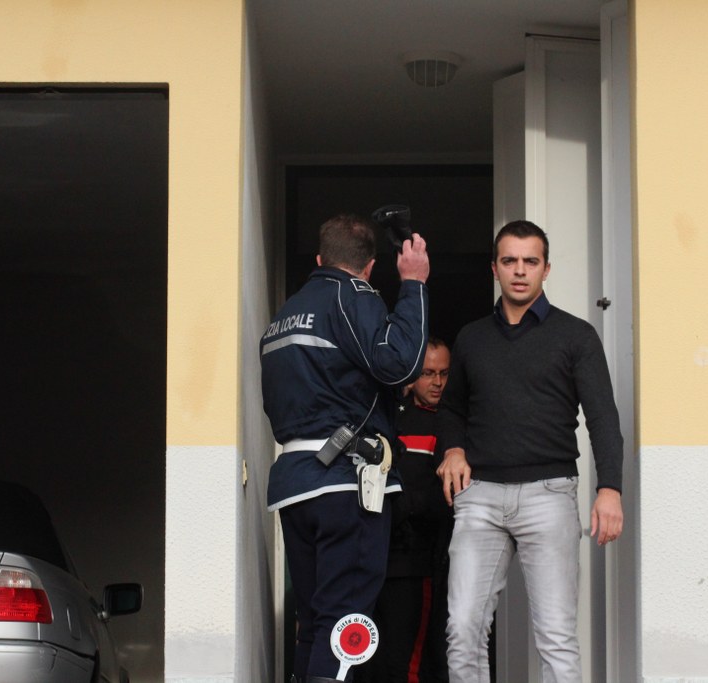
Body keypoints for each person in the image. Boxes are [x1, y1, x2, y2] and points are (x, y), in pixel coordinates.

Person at [436, 220, 624, 683]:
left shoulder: (576, 336)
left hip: (549, 495)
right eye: (510, 261)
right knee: (462, 630)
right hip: (479, 498)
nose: (520, 271)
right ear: (495, 269)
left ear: (546, 269)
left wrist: (610, 489)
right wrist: (454, 449)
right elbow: (452, 408)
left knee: (556, 638)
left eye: (530, 261)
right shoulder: (472, 337)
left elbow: (603, 418)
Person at [261, 214, 430, 683]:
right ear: (370, 267)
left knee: (315, 622)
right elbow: (401, 365)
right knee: (346, 625)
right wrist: (413, 285)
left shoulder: (284, 314)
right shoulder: (352, 294)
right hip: (345, 481)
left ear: (320, 259)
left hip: (295, 482)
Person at [360, 338, 453, 683]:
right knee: (369, 660)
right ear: (412, 377)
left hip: (421, 562)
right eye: (428, 373)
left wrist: (407, 505)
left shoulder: (454, 426)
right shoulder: (389, 419)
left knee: (410, 664)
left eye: (444, 373)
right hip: (375, 558)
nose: (438, 382)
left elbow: (454, 498)